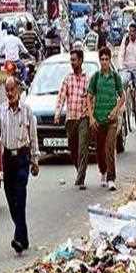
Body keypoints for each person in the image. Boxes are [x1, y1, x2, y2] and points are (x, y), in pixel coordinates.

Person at [0, 76, 39, 254]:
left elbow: (33, 137)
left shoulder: (27, 111)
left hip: (22, 158)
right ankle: (23, 238)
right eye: (7, 90)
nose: (10, 93)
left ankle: (18, 238)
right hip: (7, 159)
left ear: (18, 91)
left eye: (13, 90)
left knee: (20, 197)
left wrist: (35, 160)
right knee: (11, 201)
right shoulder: (1, 111)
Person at [88, 47, 125, 191]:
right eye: (102, 59)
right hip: (98, 119)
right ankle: (103, 171)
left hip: (112, 121)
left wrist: (115, 110)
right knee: (100, 150)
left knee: (110, 147)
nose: (104, 62)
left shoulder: (115, 77)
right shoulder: (96, 77)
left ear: (110, 60)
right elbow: (89, 98)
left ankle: (111, 178)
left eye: (106, 59)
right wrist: (91, 117)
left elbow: (122, 97)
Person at [54, 49, 90, 189]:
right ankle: (79, 170)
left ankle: (80, 178)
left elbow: (90, 98)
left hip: (83, 118)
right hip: (71, 119)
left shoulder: (87, 79)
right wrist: (57, 113)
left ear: (80, 61)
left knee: (82, 149)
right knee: (73, 149)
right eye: (71, 60)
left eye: (74, 60)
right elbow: (61, 98)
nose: (72, 63)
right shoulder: (67, 79)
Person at [118, 22, 136, 119]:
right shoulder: (125, 40)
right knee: (122, 83)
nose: (131, 34)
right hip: (126, 69)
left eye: (133, 32)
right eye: (130, 32)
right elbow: (121, 54)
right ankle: (123, 105)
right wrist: (121, 66)